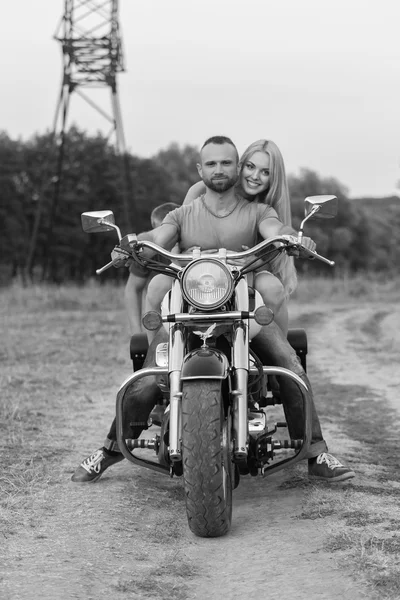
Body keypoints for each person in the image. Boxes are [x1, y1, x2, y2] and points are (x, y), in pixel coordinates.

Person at [71, 135, 355, 484]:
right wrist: (130, 246)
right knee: (145, 382)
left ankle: (316, 453)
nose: (219, 169)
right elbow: (157, 238)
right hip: (187, 312)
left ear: (236, 169)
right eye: (211, 163)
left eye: (226, 163)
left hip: (243, 313)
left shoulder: (257, 211)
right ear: (200, 169)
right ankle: (111, 448)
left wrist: (293, 238)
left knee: (290, 366)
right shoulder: (182, 213)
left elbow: (274, 229)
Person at [146, 139, 295, 336]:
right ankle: (155, 356)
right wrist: (182, 256)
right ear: (240, 166)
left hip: (245, 272)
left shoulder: (264, 209)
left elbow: (274, 241)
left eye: (266, 172)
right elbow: (176, 232)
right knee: (157, 285)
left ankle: (286, 355)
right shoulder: (202, 190)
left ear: (273, 179)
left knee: (274, 289)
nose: (255, 176)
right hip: (195, 270)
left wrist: (289, 240)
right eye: (250, 167)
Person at [124, 202, 180, 334]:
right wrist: (136, 332)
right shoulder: (148, 249)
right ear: (154, 229)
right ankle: (151, 349)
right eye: (161, 230)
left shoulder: (191, 244)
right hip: (160, 314)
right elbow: (133, 288)